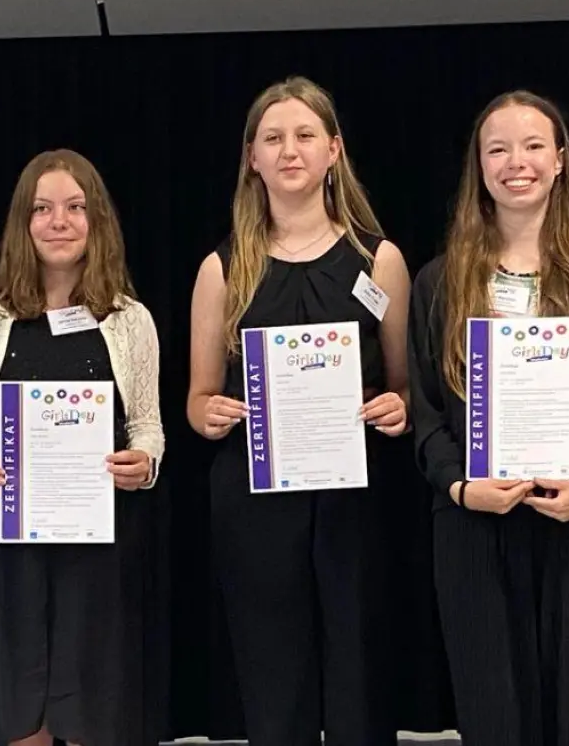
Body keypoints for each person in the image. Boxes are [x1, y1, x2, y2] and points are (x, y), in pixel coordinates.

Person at [407, 91, 569, 746]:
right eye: (499, 149)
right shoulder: (439, 284)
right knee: (496, 717)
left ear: (561, 159)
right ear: (479, 167)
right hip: (475, 527)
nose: (517, 162)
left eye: (534, 145)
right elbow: (426, 410)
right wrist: (462, 487)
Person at [186, 76, 410, 746]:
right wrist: (210, 414)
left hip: (355, 497)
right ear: (251, 157)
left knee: (359, 667)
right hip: (256, 499)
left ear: (333, 150)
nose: (290, 150)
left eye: (306, 135)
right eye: (274, 138)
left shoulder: (379, 261)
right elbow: (197, 400)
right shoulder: (223, 268)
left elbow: (404, 386)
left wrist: (397, 407)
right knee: (272, 672)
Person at [0, 149, 165, 746]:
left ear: (98, 221)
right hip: (8, 540)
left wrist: (144, 463)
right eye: (42, 209)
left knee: (96, 707)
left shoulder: (130, 319)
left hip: (99, 543)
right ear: (23, 222)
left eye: (75, 207)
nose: (59, 221)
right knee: (20, 708)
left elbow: (148, 424)